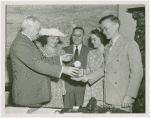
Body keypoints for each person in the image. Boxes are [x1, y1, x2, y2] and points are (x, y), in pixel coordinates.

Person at [10, 16, 79, 107]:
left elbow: (41, 60)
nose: (39, 33)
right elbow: (36, 64)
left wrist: (60, 59)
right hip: (27, 94)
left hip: (33, 93)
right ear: (30, 29)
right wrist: (63, 69)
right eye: (38, 29)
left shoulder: (27, 41)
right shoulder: (21, 43)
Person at [98, 15, 143, 112]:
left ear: (116, 26)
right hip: (108, 96)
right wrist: (86, 77)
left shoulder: (129, 44)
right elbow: (104, 69)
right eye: (102, 29)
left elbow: (137, 72)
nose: (103, 32)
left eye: (106, 29)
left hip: (122, 98)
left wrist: (129, 95)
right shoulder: (107, 47)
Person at [63, 26, 92, 108]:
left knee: (82, 113)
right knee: (67, 113)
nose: (76, 38)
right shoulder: (63, 50)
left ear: (83, 37)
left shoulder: (90, 51)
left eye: (79, 35)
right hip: (68, 88)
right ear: (71, 36)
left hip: (83, 88)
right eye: (74, 35)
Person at [36, 28, 66, 108]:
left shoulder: (61, 52)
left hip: (58, 85)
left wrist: (63, 86)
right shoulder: (40, 52)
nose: (55, 41)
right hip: (45, 85)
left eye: (57, 39)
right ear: (46, 38)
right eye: (52, 38)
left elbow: (63, 70)